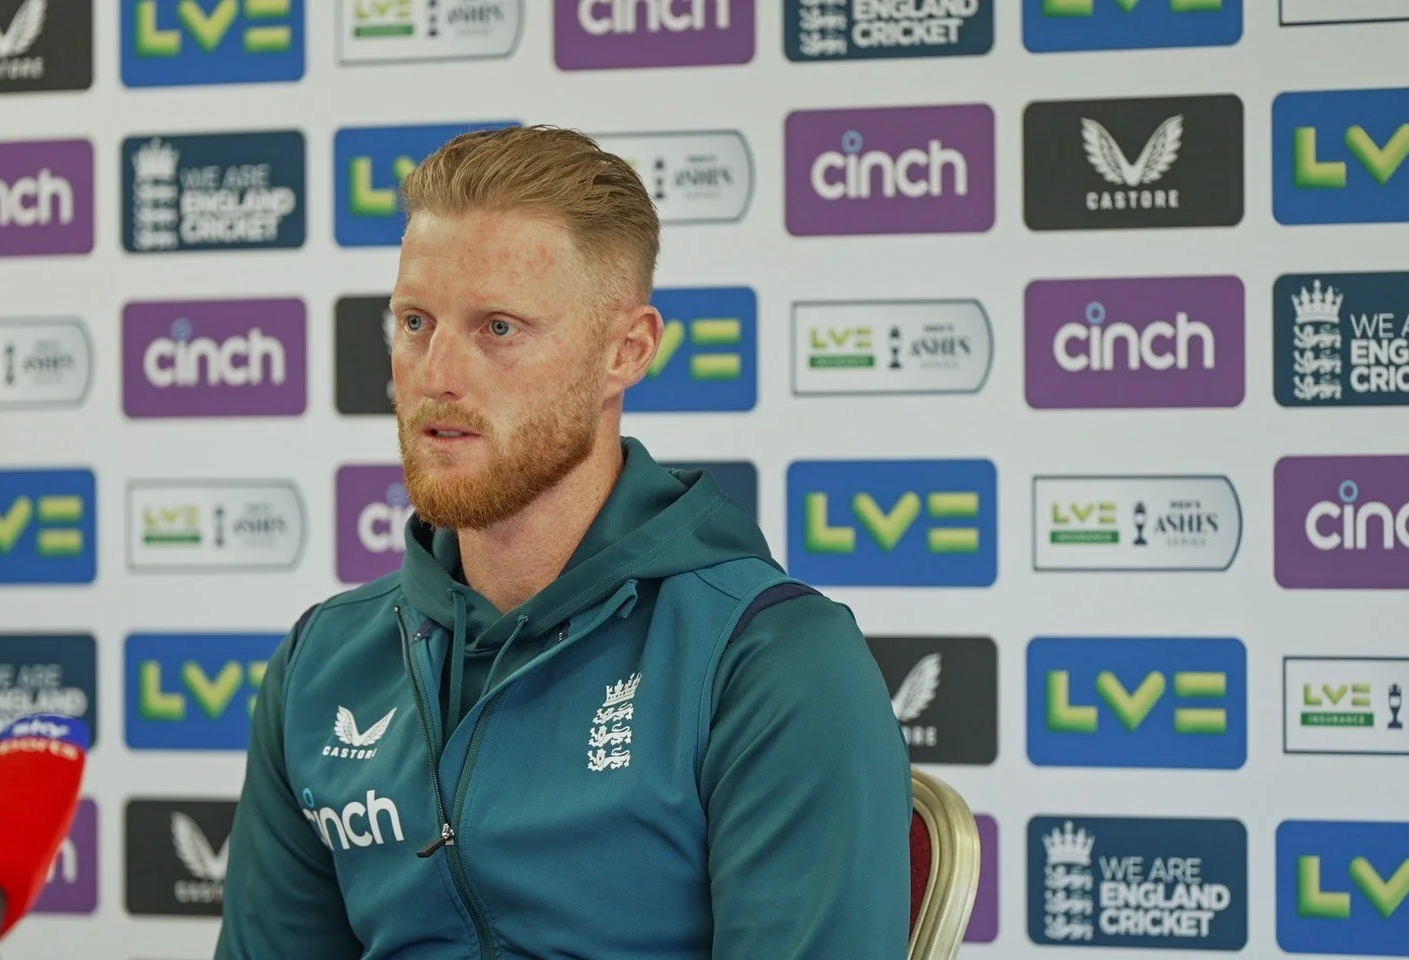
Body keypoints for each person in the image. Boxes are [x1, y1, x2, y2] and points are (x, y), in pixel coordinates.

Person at [214, 125, 912, 959]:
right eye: (415, 322)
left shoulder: (771, 661)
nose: (436, 374)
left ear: (627, 351)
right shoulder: (323, 662)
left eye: (498, 328)